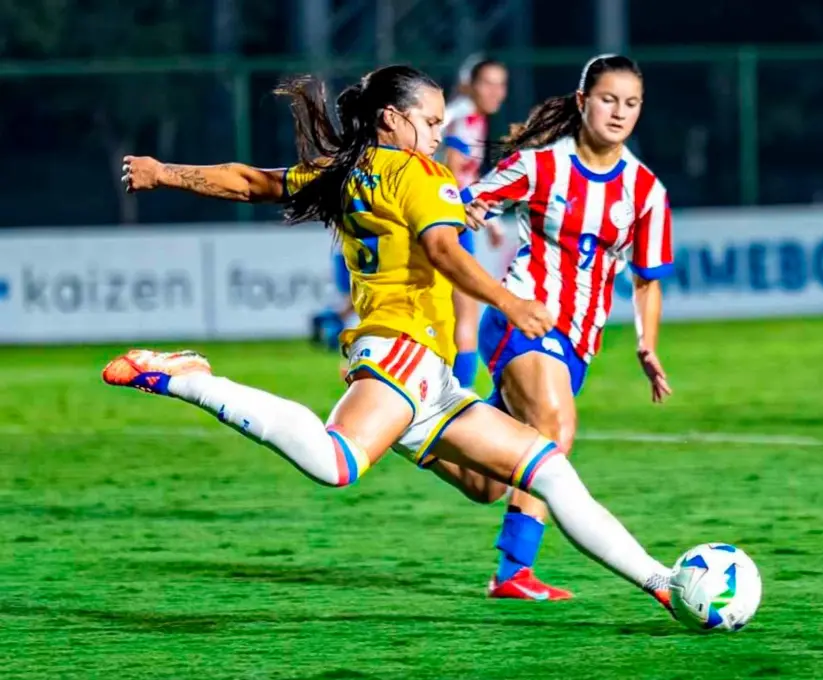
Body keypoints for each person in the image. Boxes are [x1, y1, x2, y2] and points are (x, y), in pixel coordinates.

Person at [112, 64, 674, 613]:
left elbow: (252, 182)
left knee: (538, 471)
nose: (438, 134)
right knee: (336, 462)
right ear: (390, 119)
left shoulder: (344, 169)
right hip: (400, 352)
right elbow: (445, 251)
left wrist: (164, 172)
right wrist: (512, 303)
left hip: (430, 384)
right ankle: (194, 381)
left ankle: (664, 583)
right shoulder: (420, 176)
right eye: (429, 123)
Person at [463, 55, 675, 600]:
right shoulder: (538, 167)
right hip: (522, 318)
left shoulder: (646, 192)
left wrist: (646, 344)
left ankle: (407, 418)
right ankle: (513, 572)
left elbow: (647, 280)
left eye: (631, 103)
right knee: (556, 426)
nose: (619, 112)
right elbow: (465, 210)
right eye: (608, 99)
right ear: (582, 102)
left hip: (578, 343)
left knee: (487, 479)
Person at [439, 58, 509, 390]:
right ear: (470, 84)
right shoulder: (465, 117)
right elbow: (452, 169)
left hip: (434, 216)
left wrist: (492, 223)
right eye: (488, 83)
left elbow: (465, 171)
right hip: (448, 222)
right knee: (466, 314)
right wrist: (465, 211)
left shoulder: (458, 113)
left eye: (501, 84)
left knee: (449, 314)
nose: (497, 92)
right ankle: (459, 400)